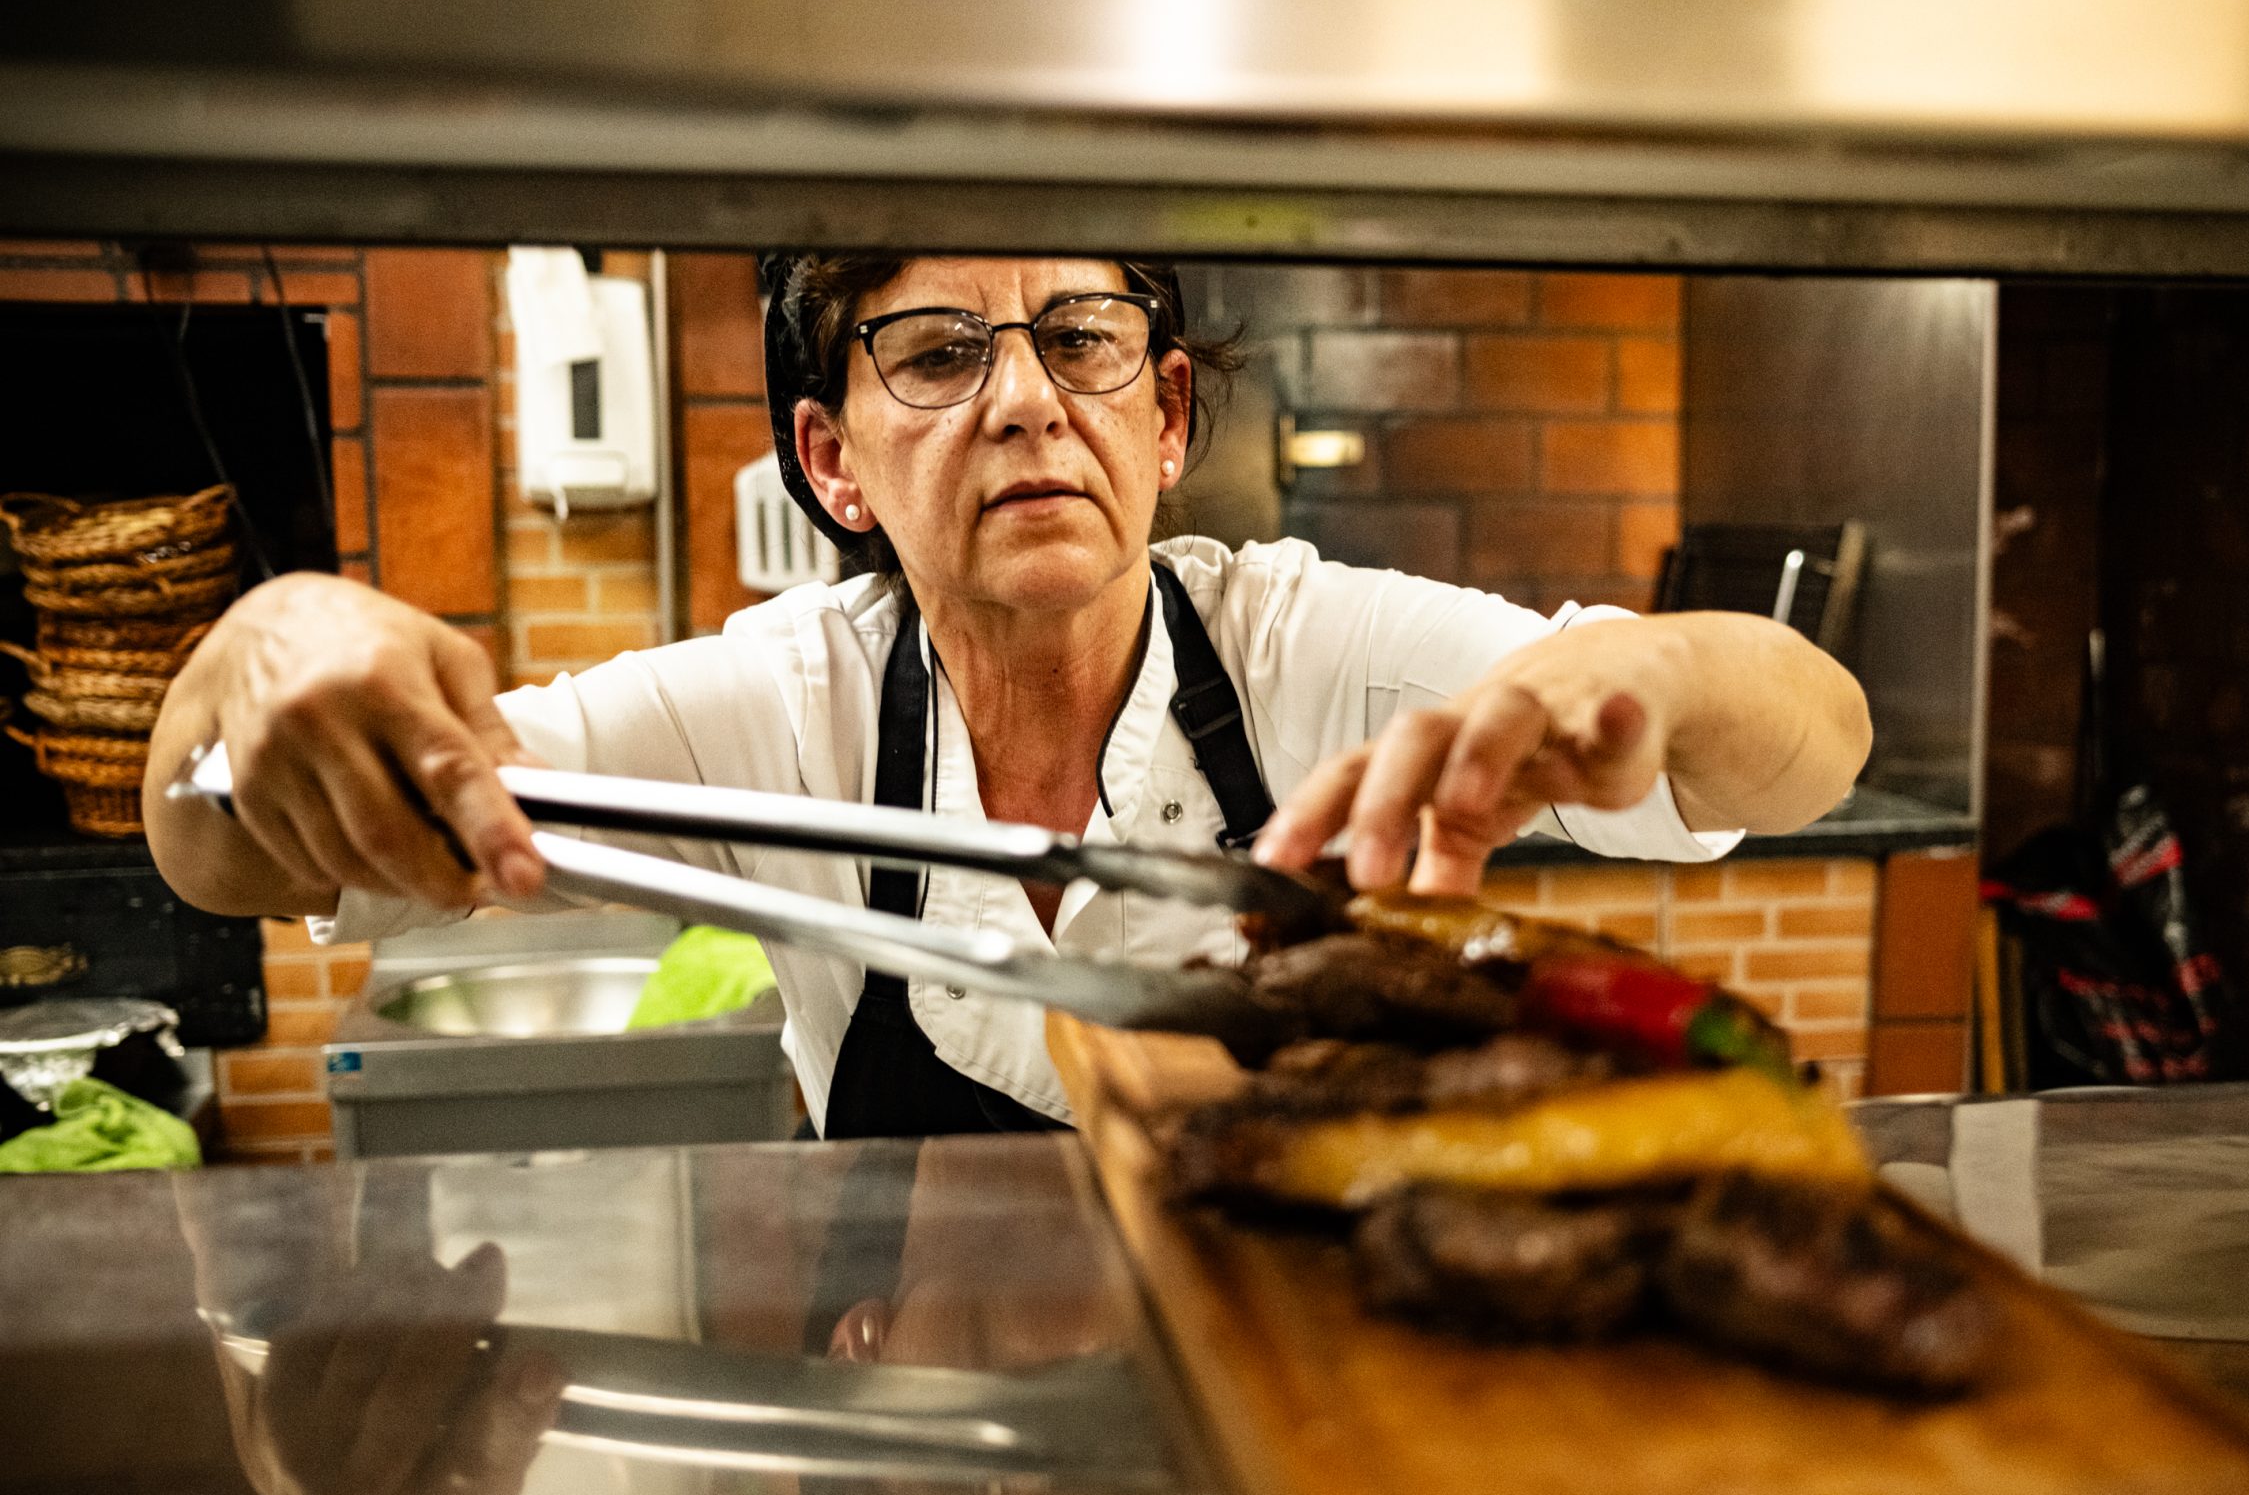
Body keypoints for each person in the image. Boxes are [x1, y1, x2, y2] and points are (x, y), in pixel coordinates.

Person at [144, 253, 1870, 1141]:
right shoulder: (779, 706)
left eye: (1083, 337)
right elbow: (235, 855)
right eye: (939, 353)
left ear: (1167, 418)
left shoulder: (1306, 645)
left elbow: (1811, 748)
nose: (1029, 400)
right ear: (832, 460)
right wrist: (257, 659)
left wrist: (1655, 661)